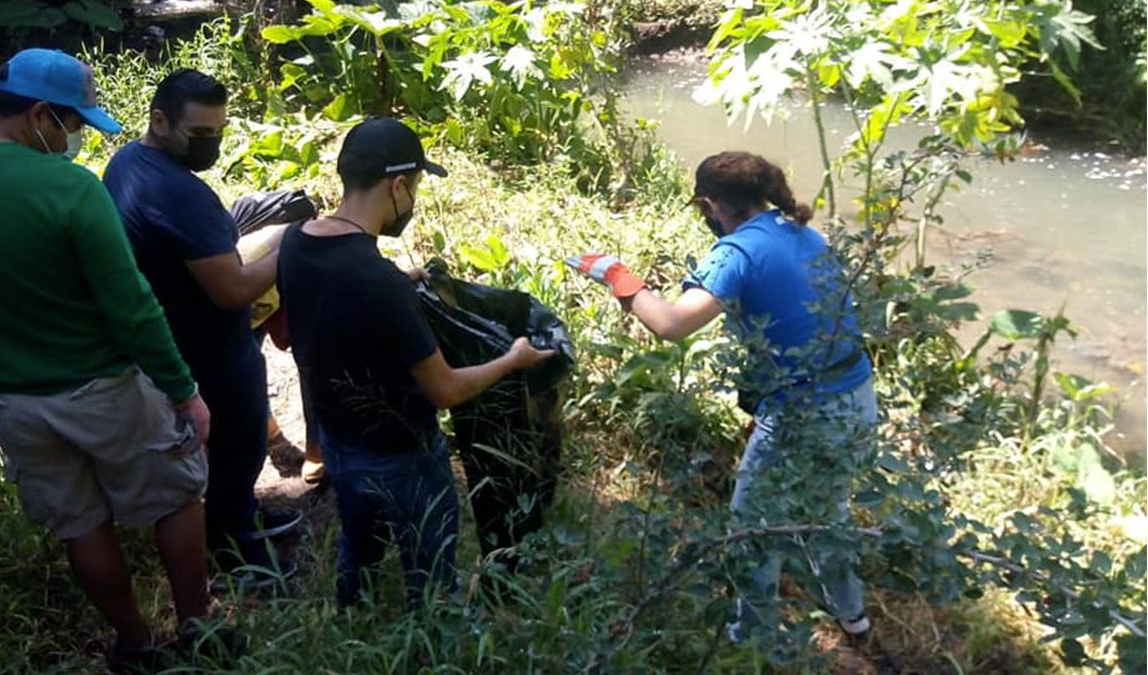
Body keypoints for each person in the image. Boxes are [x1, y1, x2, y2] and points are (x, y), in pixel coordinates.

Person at [0, 49, 213, 672]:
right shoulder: (69, 188)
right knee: (175, 500)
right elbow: (131, 304)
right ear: (40, 114)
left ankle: (135, 644)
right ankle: (201, 631)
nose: (72, 140)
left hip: (10, 401)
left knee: (81, 525)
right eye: (71, 125)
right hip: (104, 387)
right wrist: (184, 392)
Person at [567, 151, 877, 641]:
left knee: (751, 522)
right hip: (857, 393)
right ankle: (852, 615)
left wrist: (617, 276)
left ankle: (751, 637)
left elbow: (671, 324)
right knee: (827, 508)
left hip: (804, 409)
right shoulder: (802, 231)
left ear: (711, 204)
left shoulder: (737, 253)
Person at [278, 117, 555, 608]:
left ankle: (353, 617)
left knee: (359, 548)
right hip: (401, 455)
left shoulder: (298, 242)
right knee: (430, 569)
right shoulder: (376, 280)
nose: (413, 202)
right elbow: (445, 390)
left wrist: (402, 280)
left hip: (340, 442)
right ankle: (432, 637)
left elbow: (333, 304)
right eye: (416, 188)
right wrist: (513, 360)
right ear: (398, 185)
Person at [102, 69, 301, 586]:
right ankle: (235, 552)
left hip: (170, 330)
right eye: (201, 135)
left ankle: (230, 521)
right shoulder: (178, 193)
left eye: (218, 133)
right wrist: (289, 248)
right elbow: (233, 289)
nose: (211, 145)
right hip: (209, 347)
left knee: (215, 452)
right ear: (160, 120)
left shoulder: (126, 163)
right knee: (238, 447)